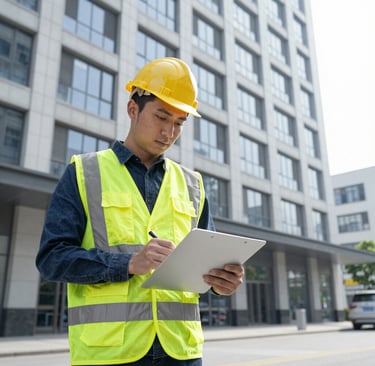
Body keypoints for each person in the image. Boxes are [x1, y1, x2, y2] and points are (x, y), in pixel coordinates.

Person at [36, 57, 244, 366]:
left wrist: (220, 282)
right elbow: (52, 260)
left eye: (179, 122)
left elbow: (205, 266)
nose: (169, 131)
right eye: (162, 117)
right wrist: (128, 263)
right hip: (110, 354)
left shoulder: (193, 185)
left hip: (182, 352)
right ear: (133, 109)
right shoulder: (84, 172)